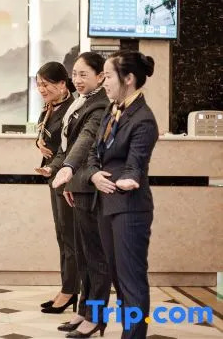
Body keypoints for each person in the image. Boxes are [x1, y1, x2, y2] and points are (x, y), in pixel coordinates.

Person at [37, 52, 110, 338]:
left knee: (96, 258)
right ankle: (84, 312)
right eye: (75, 74)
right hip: (76, 186)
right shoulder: (82, 101)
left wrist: (66, 170)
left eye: (84, 75)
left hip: (91, 187)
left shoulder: (99, 104)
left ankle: (96, 317)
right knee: (84, 255)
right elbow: (67, 144)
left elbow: (83, 142)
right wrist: (65, 176)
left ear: (101, 77)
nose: (77, 80)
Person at [85, 51, 158, 339]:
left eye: (108, 76)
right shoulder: (112, 109)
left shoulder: (144, 119)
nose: (103, 82)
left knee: (132, 281)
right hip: (107, 204)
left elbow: (135, 163)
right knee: (117, 277)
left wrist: (128, 178)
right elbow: (94, 150)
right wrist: (93, 173)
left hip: (130, 209)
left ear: (128, 79)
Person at [33, 62, 79, 311]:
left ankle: (70, 290)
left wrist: (53, 166)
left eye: (46, 84)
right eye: (39, 84)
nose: (42, 89)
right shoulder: (50, 106)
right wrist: (38, 144)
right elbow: (45, 135)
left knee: (70, 237)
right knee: (62, 235)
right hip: (54, 177)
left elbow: (70, 147)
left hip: (69, 179)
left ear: (62, 84)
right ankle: (67, 287)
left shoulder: (73, 108)